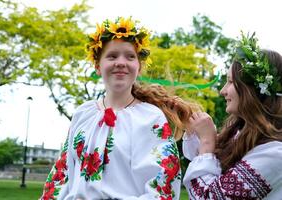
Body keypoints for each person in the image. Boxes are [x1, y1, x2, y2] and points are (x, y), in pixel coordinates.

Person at [40, 17, 195, 200]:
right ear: (98, 66)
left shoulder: (150, 118)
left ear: (138, 66)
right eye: (112, 56)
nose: (121, 62)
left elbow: (162, 186)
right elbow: (62, 174)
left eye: (130, 56)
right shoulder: (83, 113)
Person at [182, 32, 282, 199]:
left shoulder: (275, 153)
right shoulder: (241, 133)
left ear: (252, 90)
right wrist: (199, 133)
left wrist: (207, 142)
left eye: (230, 82)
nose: (222, 91)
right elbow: (204, 163)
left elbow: (209, 197)